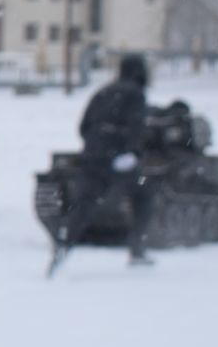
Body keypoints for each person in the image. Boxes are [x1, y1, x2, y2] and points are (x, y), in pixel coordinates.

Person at [50, 53, 156, 275]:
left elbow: (84, 126)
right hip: (119, 158)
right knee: (144, 194)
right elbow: (137, 126)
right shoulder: (135, 94)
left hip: (93, 156)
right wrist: (132, 153)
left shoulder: (103, 91)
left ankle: (63, 245)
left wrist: (96, 145)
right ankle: (137, 249)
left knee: (84, 204)